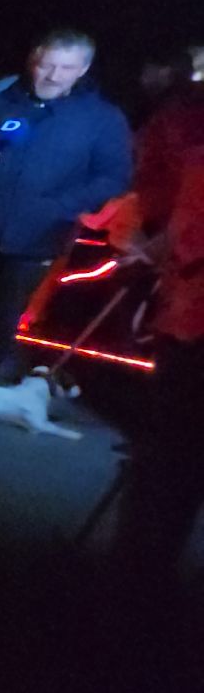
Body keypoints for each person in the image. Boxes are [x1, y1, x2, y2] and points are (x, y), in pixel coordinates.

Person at [0, 30, 132, 380]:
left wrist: (61, 206)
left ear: (83, 68)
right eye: (45, 64)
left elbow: (113, 177)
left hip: (37, 235)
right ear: (31, 59)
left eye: (65, 68)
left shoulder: (101, 119)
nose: (52, 76)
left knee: (3, 314)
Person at [112, 75, 204, 593]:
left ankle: (138, 577)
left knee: (170, 455)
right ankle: (137, 579)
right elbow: (160, 196)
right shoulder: (187, 120)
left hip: (191, 311)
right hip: (192, 313)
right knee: (171, 454)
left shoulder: (185, 122)